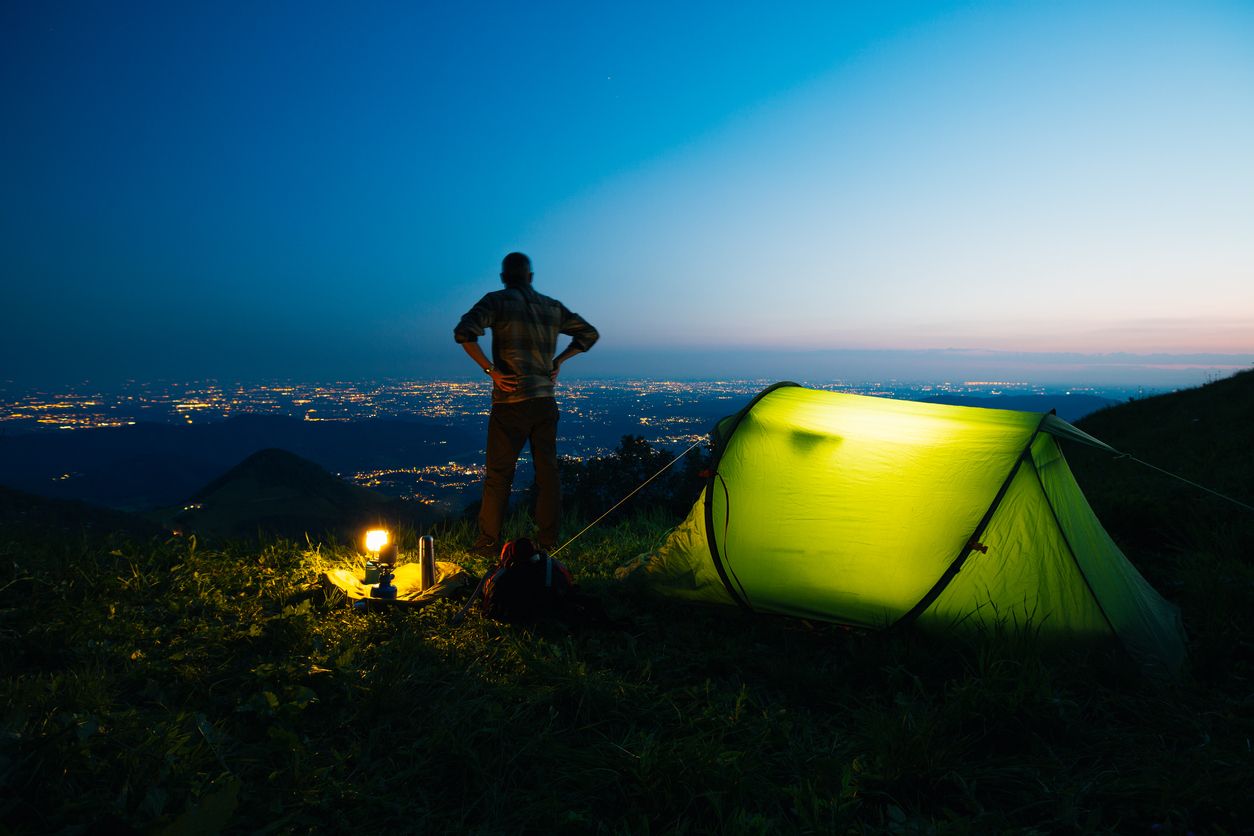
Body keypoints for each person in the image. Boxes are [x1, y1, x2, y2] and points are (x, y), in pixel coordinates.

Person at [454, 252, 599, 556]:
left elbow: (465, 333)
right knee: (548, 473)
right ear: (530, 277)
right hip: (545, 401)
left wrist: (491, 370)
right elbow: (589, 334)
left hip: (511, 401)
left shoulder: (496, 301)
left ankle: (488, 542)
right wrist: (558, 360)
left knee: (498, 475)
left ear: (504, 277)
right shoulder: (551, 307)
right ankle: (547, 541)